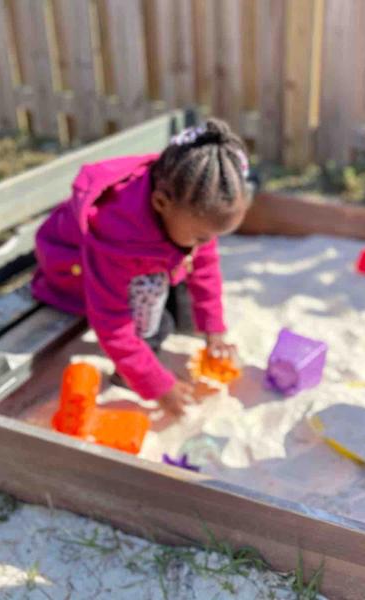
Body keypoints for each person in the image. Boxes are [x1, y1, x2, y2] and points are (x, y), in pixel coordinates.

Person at [32, 119, 250, 416]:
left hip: (147, 256)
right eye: (201, 237)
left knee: (185, 314)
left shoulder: (190, 205)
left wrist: (214, 329)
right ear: (161, 203)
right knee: (154, 303)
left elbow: (205, 265)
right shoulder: (115, 236)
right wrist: (157, 385)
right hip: (72, 270)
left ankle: (167, 323)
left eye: (211, 237)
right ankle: (129, 372)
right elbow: (111, 323)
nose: (205, 245)